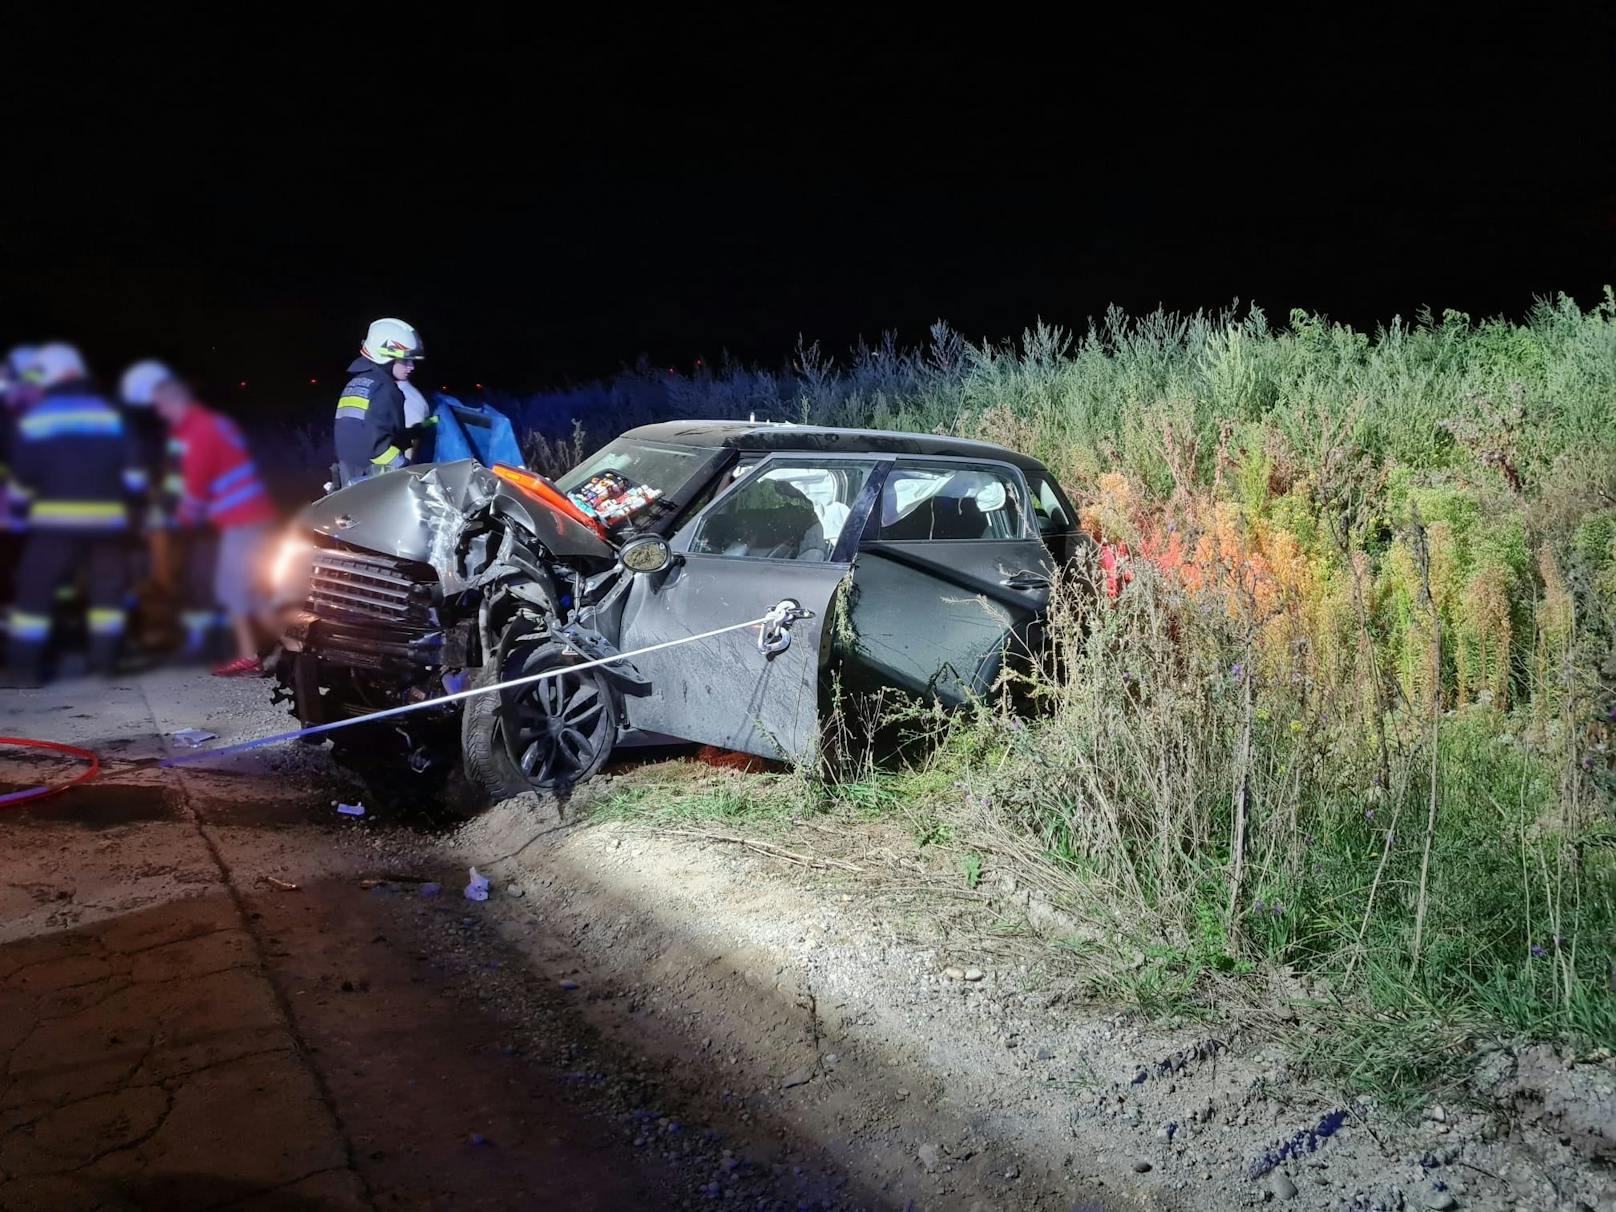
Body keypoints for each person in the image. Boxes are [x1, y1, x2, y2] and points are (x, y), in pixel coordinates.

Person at [130, 366, 278, 677]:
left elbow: (194, 486)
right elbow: (176, 479)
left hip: (244, 517)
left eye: (162, 404)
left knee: (234, 588)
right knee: (245, 587)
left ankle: (256, 654)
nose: (158, 411)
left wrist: (173, 522)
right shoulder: (190, 430)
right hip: (243, 516)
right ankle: (269, 649)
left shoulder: (199, 430)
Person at [5, 344, 141, 680]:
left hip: (54, 524)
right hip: (109, 523)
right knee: (107, 596)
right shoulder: (109, 413)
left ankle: (25, 670)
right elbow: (135, 476)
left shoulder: (38, 417)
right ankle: (105, 664)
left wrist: (19, 509)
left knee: (34, 594)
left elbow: (22, 476)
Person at [334, 317, 425, 486]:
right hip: (376, 484)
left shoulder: (357, 383)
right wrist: (406, 470)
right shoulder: (386, 389)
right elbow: (378, 448)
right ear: (386, 357)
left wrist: (409, 433)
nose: (411, 367)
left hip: (350, 479)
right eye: (405, 360)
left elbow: (363, 431)